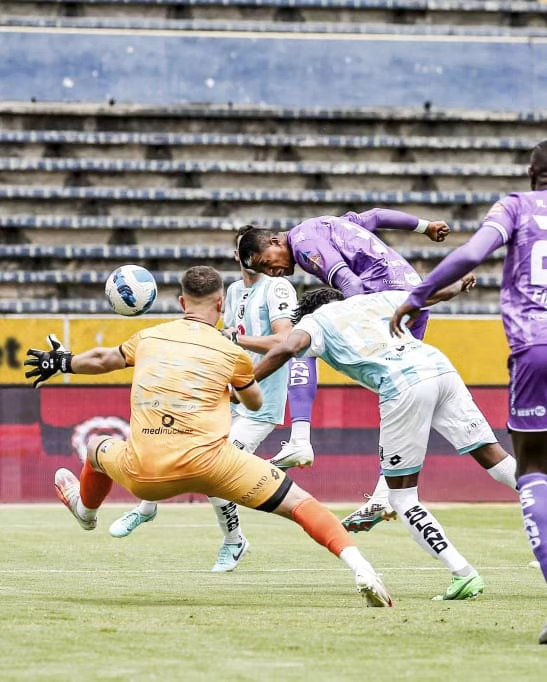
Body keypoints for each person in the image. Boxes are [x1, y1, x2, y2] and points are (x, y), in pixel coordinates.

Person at [23, 266, 393, 607]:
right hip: (213, 466)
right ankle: (362, 569)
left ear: (181, 302)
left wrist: (62, 362)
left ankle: (86, 513)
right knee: (301, 504)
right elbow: (254, 400)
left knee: (95, 449)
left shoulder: (149, 337)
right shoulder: (232, 353)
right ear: (221, 304)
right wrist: (230, 389)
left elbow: (103, 360)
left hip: (145, 474)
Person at [252, 287, 518, 601]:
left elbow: (288, 347)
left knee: (402, 498)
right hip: (440, 367)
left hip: (403, 385)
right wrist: (457, 286)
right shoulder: (371, 300)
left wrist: (247, 382)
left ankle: (463, 574)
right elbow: (428, 295)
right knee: (494, 457)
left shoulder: (315, 322)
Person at [390, 141, 547, 643]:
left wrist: (418, 296)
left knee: (535, 470)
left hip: (535, 348)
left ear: (531, 173)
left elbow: (473, 252)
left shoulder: (516, 207)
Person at [108, 226, 313, 573]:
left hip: (259, 403)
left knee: (214, 471)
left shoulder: (277, 286)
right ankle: (147, 508)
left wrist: (238, 340)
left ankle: (234, 541)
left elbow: (286, 340)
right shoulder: (232, 291)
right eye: (238, 251)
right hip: (223, 397)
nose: (243, 257)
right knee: (172, 447)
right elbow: (225, 342)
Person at [237, 209, 459, 528]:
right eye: (263, 270)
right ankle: (386, 492)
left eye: (264, 261)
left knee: (305, 337)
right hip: (413, 301)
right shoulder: (329, 223)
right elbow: (377, 216)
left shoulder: (302, 243)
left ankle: (300, 438)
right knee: (399, 394)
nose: (271, 272)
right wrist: (426, 226)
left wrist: (352, 323)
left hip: (386, 304)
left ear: (274, 240)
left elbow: (348, 281)